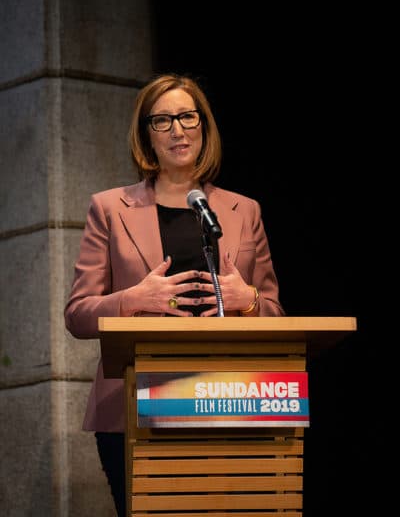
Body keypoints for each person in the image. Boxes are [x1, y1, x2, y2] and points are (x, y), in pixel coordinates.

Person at [64, 72, 285, 516]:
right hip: (134, 403)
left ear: (203, 125)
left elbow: (277, 317)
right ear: (146, 135)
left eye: (187, 116)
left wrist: (250, 302)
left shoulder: (245, 211)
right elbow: (78, 314)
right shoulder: (109, 209)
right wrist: (134, 299)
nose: (177, 130)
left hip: (228, 399)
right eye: (162, 121)